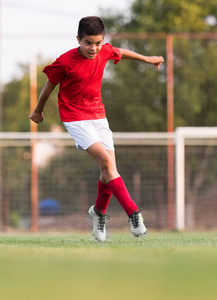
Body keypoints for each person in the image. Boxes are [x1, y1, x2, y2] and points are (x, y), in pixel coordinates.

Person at [29, 16, 164, 242]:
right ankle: (134, 213)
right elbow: (48, 87)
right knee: (107, 163)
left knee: (108, 170)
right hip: (74, 118)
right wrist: (38, 111)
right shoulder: (65, 62)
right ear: (78, 40)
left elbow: (120, 51)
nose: (93, 48)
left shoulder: (104, 51)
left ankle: (98, 213)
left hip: (99, 116)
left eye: (98, 43)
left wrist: (148, 59)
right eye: (88, 43)